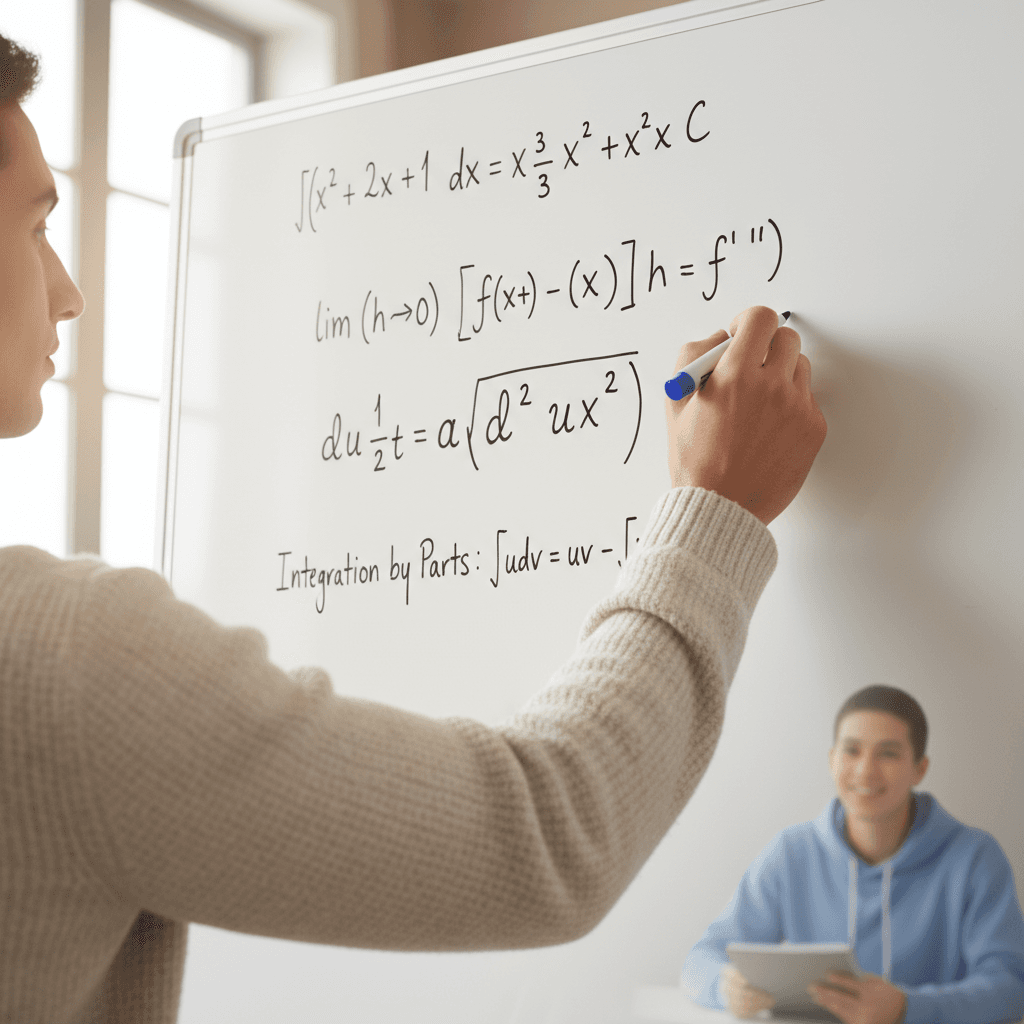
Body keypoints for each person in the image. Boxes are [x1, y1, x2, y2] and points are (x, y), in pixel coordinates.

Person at [0, 34, 827, 1023]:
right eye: (35, 225)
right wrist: (713, 515)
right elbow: (548, 840)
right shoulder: (57, 660)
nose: (67, 290)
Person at [681, 685, 1024, 1024]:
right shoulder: (791, 853)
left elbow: (1011, 987)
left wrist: (906, 1009)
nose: (865, 771)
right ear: (832, 760)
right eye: (852, 751)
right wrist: (724, 987)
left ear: (919, 768)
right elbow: (701, 959)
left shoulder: (976, 858)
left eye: (888, 753)